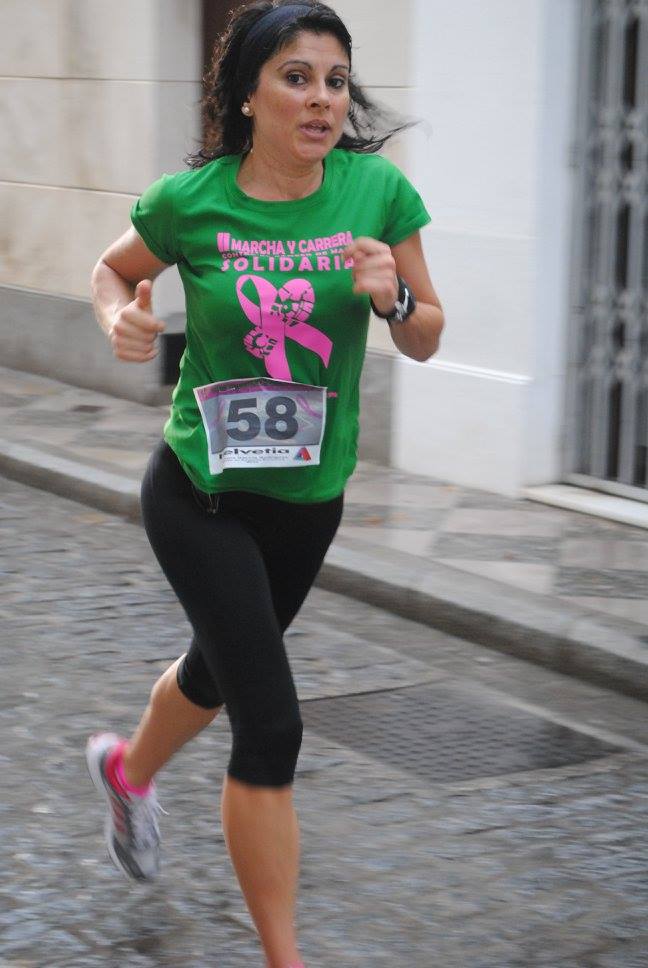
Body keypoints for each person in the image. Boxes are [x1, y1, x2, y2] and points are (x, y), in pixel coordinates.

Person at [85, 1, 444, 965]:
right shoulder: (188, 201)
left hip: (308, 505)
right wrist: (120, 318)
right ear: (248, 95)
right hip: (198, 493)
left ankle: (127, 773)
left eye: (335, 80)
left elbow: (426, 334)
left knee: (215, 671)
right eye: (296, 77)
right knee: (271, 722)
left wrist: (396, 298)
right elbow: (112, 272)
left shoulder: (377, 192)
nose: (321, 98)